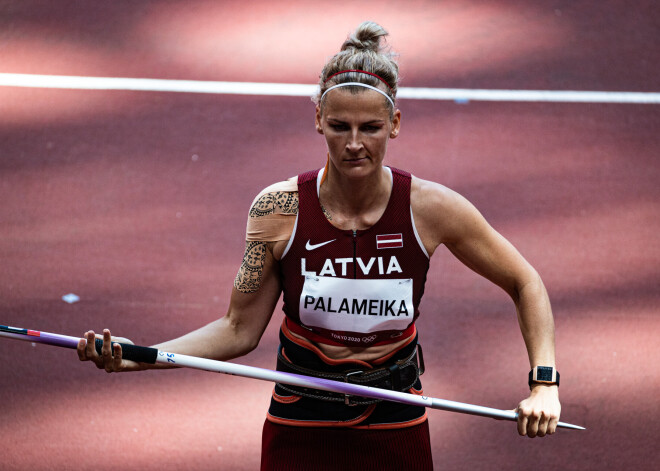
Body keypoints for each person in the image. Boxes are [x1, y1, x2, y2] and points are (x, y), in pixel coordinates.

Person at [78, 21, 561, 471]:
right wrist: (142, 355)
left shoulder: (431, 208)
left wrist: (544, 383)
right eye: (339, 127)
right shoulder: (279, 208)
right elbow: (238, 329)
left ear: (394, 124)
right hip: (300, 414)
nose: (354, 143)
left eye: (370, 128)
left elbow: (525, 281)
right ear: (318, 121)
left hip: (395, 413)